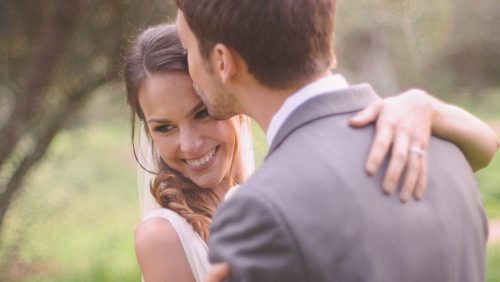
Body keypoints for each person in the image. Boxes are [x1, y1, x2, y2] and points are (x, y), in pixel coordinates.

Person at [124, 25, 499, 281]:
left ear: (224, 95)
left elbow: (485, 149)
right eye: (164, 128)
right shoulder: (162, 237)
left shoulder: (277, 191)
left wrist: (426, 105)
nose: (188, 145)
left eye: (201, 113)